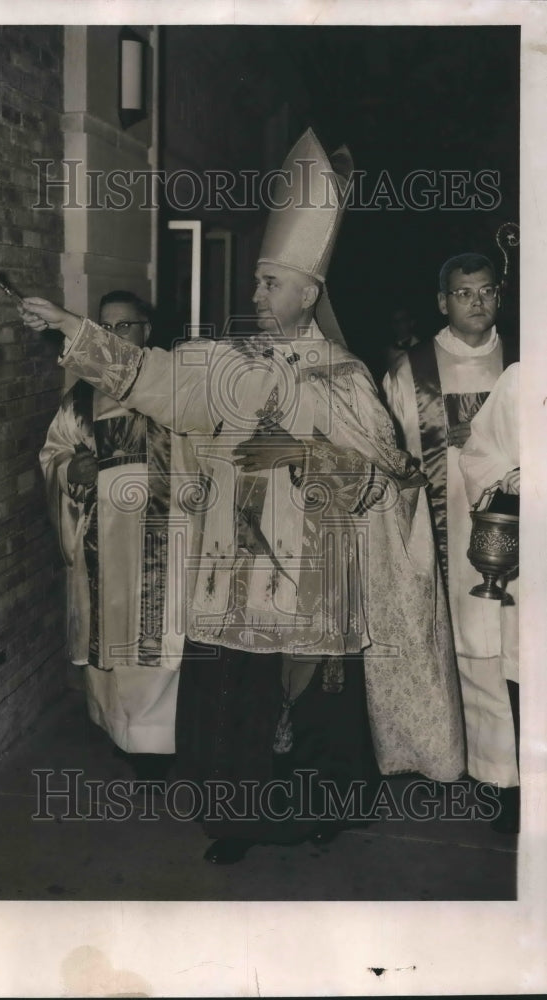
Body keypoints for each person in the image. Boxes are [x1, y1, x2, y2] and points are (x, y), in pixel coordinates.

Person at [24, 128, 465, 863]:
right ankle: (238, 820)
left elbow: (389, 484)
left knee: (312, 705)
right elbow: (150, 377)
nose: (255, 294)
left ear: (309, 293)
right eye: (258, 282)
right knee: (233, 699)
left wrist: (304, 453)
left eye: (269, 283)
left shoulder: (345, 378)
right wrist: (73, 329)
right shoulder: (226, 362)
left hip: (317, 580)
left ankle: (319, 812)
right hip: (232, 574)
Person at [383, 253, 519, 818]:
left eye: (486, 291)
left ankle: (511, 772)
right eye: (464, 293)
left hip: (520, 531)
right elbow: (391, 457)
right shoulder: (409, 370)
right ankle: (471, 764)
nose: (478, 302)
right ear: (442, 302)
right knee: (465, 645)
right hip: (444, 529)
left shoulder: (525, 360)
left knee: (513, 647)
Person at [39, 291, 183, 782]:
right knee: (109, 638)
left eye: (125, 327)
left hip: (166, 541)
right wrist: (70, 468)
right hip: (102, 540)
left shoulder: (170, 386)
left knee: (160, 639)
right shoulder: (80, 398)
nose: (113, 336)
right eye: (104, 327)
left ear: (148, 330)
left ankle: (161, 743)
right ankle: (121, 732)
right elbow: (53, 454)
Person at [459, 362, 520, 833]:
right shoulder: (522, 377)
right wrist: (510, 474)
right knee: (523, 668)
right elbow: (478, 449)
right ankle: (521, 787)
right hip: (534, 558)